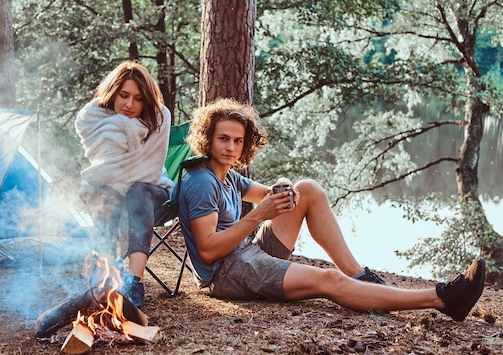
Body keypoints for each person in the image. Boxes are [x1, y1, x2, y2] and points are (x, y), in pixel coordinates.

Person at [176, 97, 485, 321]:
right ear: (208, 140)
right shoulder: (202, 182)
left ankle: (361, 278)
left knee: (307, 188)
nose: (230, 147)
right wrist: (259, 215)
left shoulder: (226, 173)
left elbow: (271, 194)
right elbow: (207, 251)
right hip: (227, 274)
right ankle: (442, 298)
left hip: (246, 253)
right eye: (223, 139)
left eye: (237, 141)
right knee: (329, 281)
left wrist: (284, 187)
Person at [75, 61, 173, 309]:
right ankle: (107, 275)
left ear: (147, 101)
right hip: (112, 192)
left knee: (136, 190)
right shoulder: (96, 119)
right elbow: (104, 169)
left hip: (152, 191)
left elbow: (148, 169)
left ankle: (133, 281)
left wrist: (111, 180)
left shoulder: (160, 118)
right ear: (113, 94)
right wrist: (108, 183)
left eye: (138, 99)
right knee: (104, 194)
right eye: (124, 95)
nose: (130, 105)